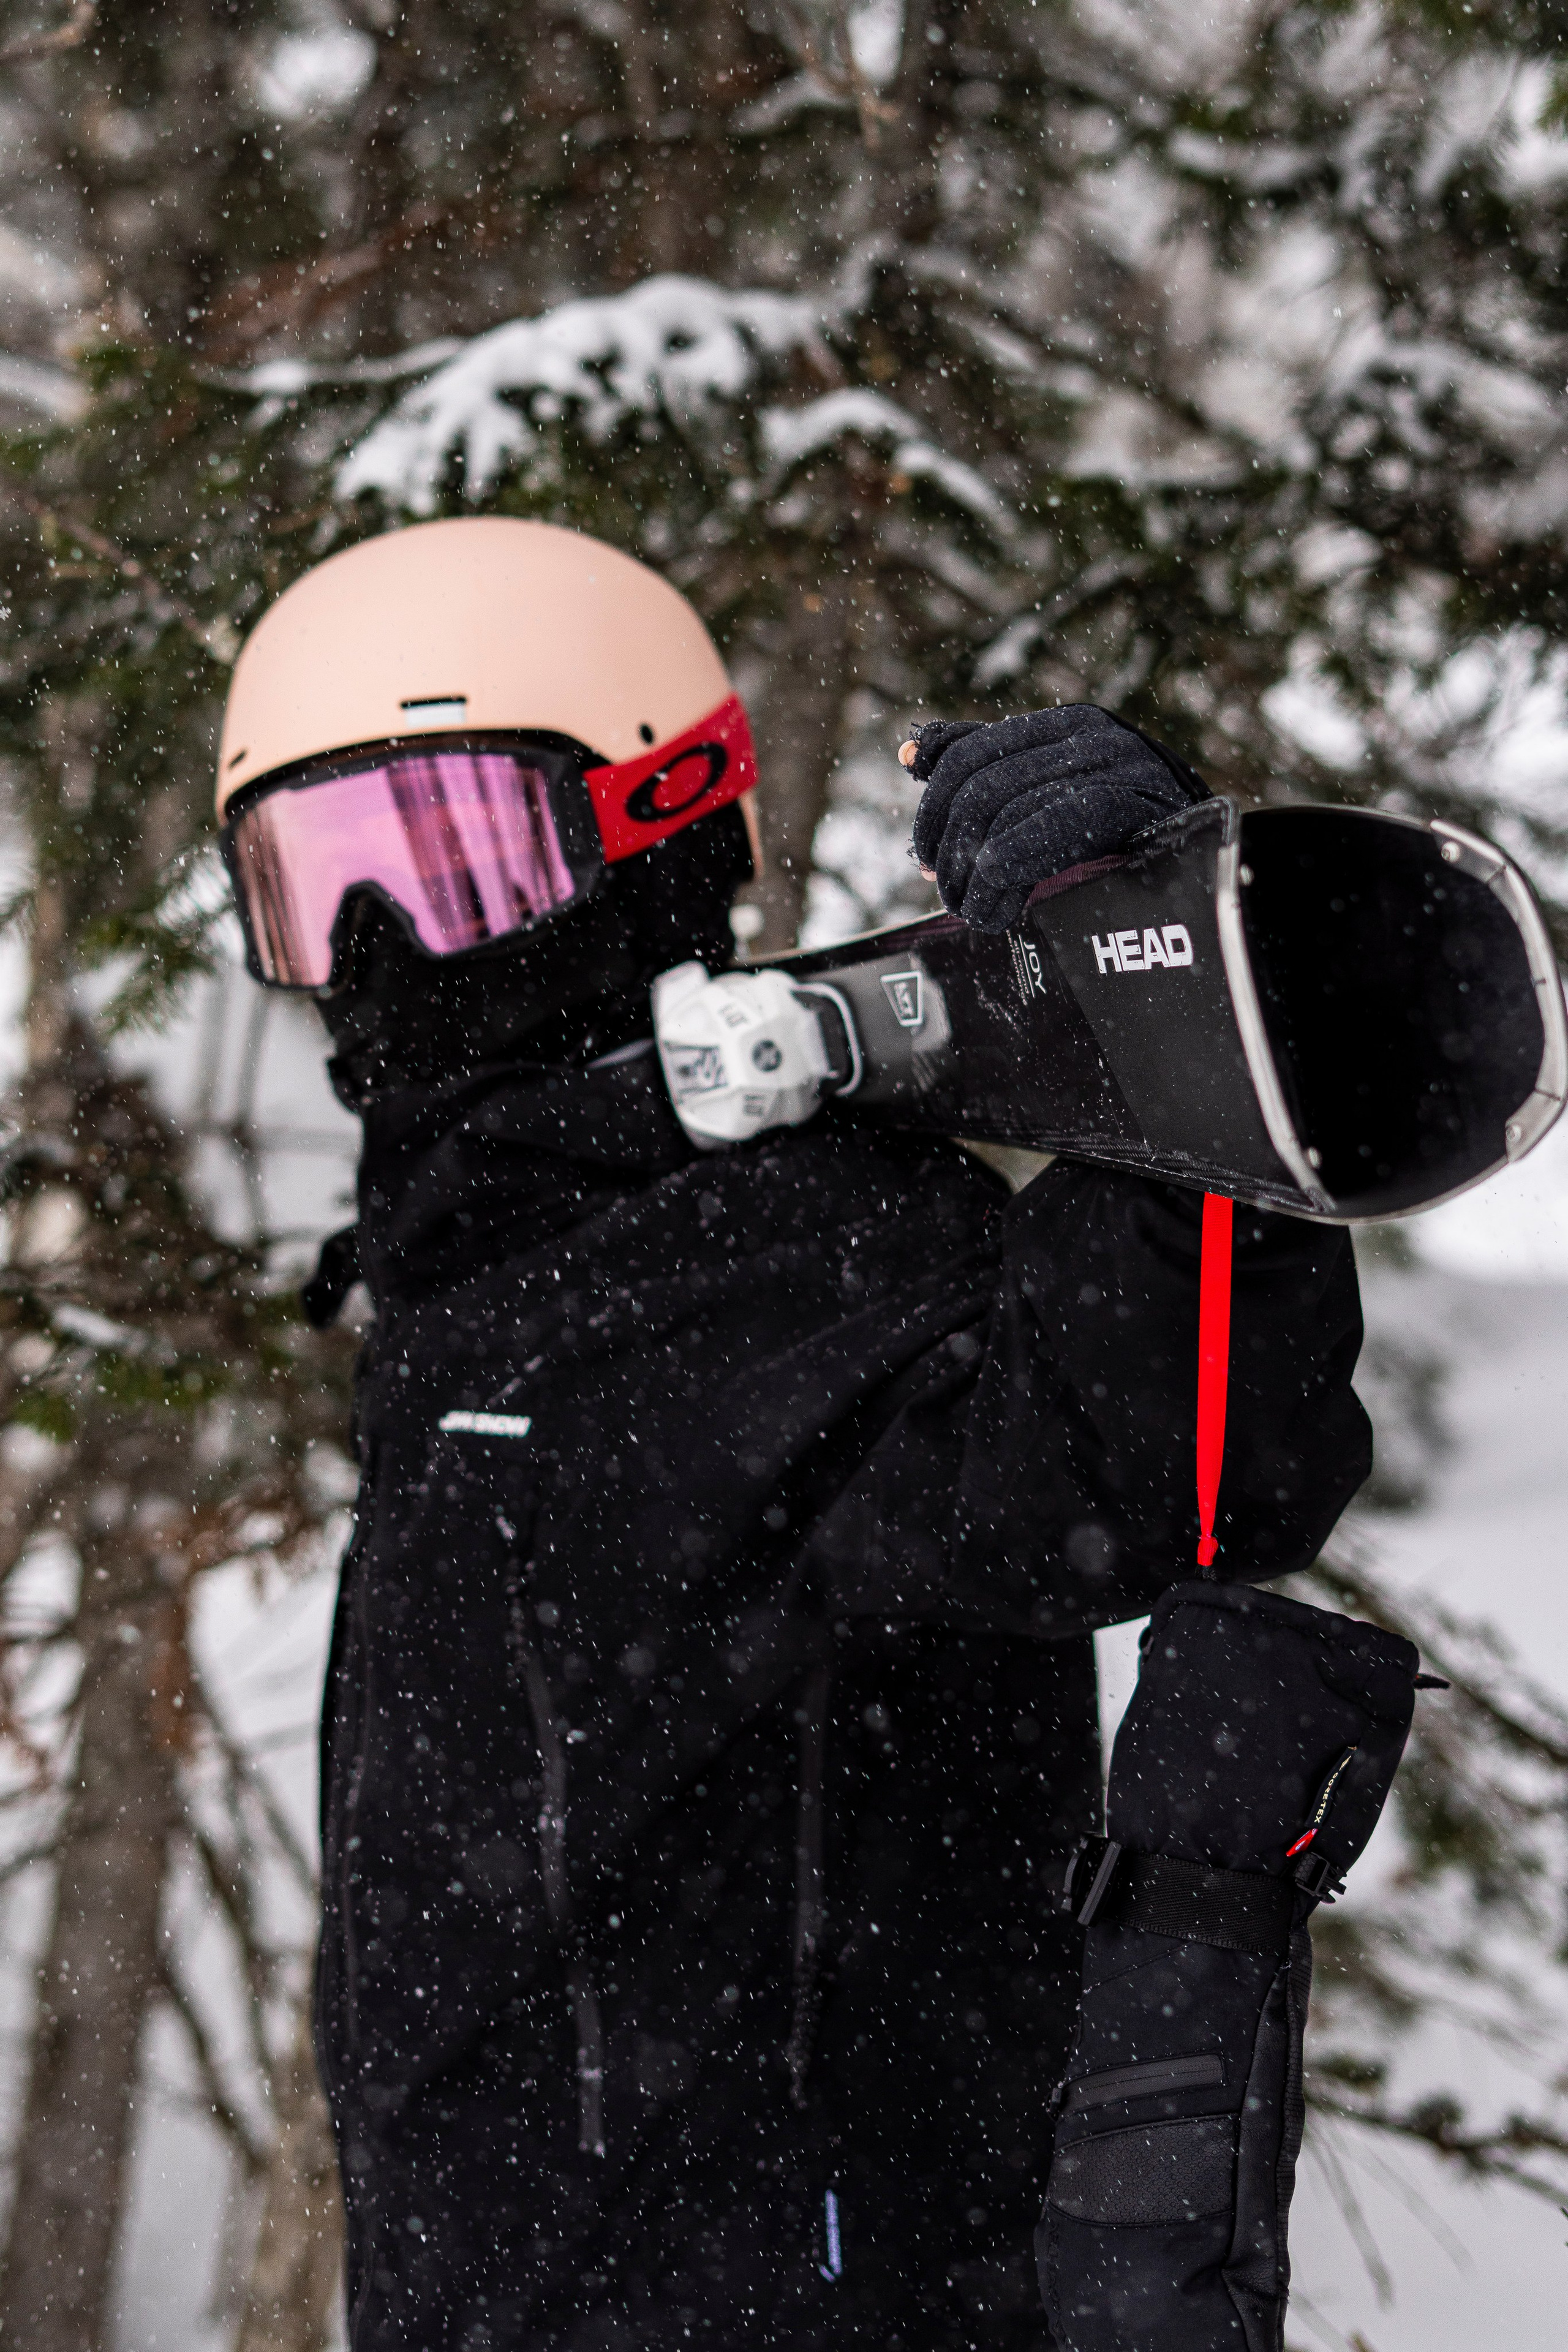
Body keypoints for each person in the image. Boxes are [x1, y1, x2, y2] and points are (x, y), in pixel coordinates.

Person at [216, 517, 1371, 2352]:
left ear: (660, 827)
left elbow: (1174, 1465)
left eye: (458, 862)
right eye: (319, 877)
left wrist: (1178, 987)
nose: (386, 950)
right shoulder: (470, 1267)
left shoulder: (780, 1244)